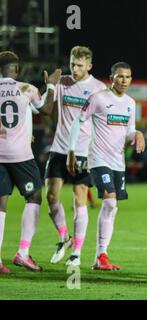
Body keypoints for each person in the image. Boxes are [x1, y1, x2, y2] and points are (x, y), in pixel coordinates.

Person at [67, 62, 145, 270]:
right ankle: (101, 255)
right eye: (120, 76)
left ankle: (100, 256)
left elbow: (129, 131)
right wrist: (72, 150)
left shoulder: (130, 102)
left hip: (117, 162)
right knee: (109, 202)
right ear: (111, 78)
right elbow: (78, 121)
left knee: (113, 206)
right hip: (98, 159)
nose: (124, 81)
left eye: (128, 77)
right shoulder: (98, 98)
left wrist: (137, 135)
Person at [43, 46, 106, 266]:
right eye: (72, 64)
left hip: (83, 151)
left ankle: (77, 252)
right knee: (51, 197)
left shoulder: (99, 88)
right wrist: (50, 86)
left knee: (80, 199)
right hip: (59, 148)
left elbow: (101, 123)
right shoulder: (62, 83)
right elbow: (43, 107)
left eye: (79, 65)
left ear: (89, 65)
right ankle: (64, 237)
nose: (75, 69)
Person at [0, 50, 61, 273]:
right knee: (34, 196)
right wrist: (51, 85)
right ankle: (23, 253)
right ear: (16, 69)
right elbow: (45, 109)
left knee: (1, 203)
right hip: (20, 156)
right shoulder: (26, 88)